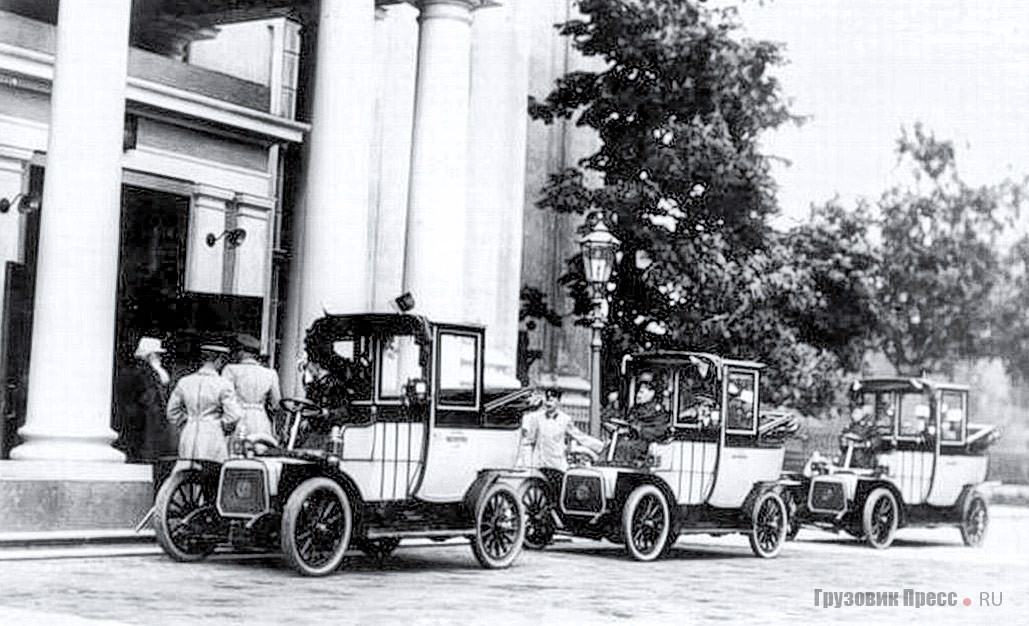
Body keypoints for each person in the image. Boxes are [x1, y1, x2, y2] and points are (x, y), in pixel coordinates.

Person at [166, 344, 243, 467]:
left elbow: (171, 412)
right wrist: (222, 425)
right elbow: (234, 415)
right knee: (210, 475)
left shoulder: (185, 381)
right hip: (212, 434)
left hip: (189, 434)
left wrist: (186, 420)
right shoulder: (223, 384)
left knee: (185, 473)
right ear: (219, 360)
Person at [517, 388, 602, 473]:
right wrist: (528, 464)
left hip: (557, 465)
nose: (548, 404)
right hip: (540, 465)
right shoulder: (537, 419)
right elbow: (530, 441)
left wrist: (599, 446)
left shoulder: (565, 420)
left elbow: (579, 436)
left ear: (558, 402)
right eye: (547, 401)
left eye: (551, 401)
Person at [222, 333, 281, 440]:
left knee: (235, 452)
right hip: (261, 420)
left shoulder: (230, 370)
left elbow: (225, 398)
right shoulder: (270, 373)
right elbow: (276, 403)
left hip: (238, 419)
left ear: (242, 352)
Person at [612, 372, 670, 466]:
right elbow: (627, 422)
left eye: (642, 392)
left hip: (646, 446)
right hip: (633, 442)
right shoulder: (635, 409)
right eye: (638, 391)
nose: (638, 395)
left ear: (652, 393)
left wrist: (637, 429)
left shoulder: (658, 412)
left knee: (623, 447)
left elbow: (659, 431)